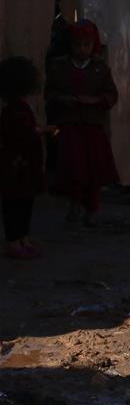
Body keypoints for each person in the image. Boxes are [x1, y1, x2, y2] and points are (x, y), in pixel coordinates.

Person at [44, 20, 119, 226]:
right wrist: (62, 99)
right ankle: (74, 204)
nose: (82, 49)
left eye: (86, 45)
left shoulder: (100, 68)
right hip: (69, 124)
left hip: (93, 125)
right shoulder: (59, 67)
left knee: (93, 169)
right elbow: (49, 93)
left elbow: (111, 95)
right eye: (78, 45)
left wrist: (95, 101)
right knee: (73, 167)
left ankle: (91, 208)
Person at [0, 57, 55, 259]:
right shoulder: (14, 111)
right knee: (15, 204)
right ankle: (14, 240)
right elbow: (21, 134)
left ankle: (22, 237)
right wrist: (43, 130)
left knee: (23, 203)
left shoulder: (17, 108)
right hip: (17, 166)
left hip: (23, 166)